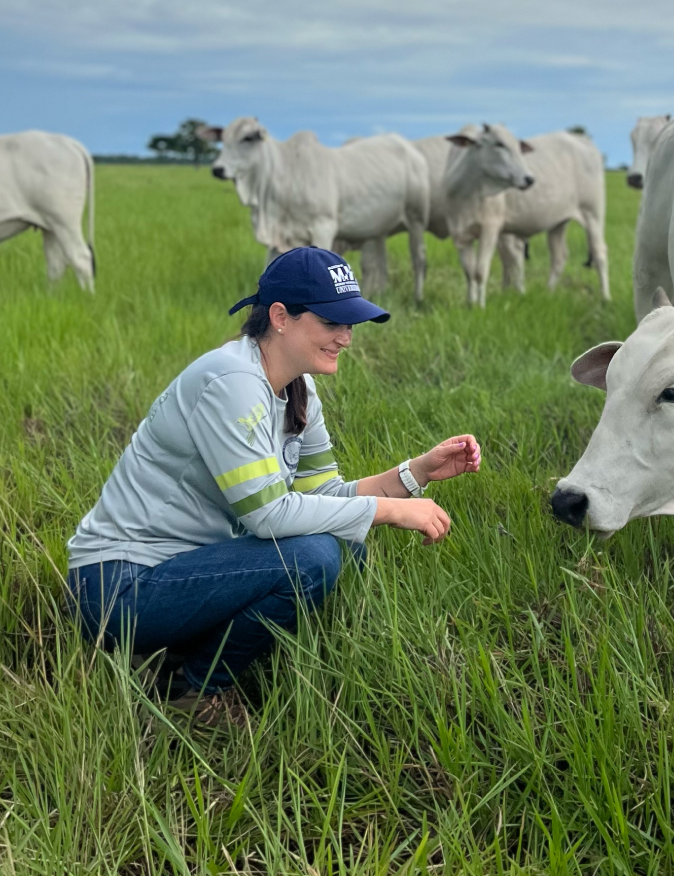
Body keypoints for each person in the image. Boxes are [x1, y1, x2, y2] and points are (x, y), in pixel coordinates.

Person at [66, 246, 481, 726]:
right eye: (333, 322)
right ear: (280, 317)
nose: (346, 338)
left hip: (181, 572)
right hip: (118, 588)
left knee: (344, 547)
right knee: (314, 558)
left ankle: (174, 656)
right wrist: (389, 511)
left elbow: (325, 497)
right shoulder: (231, 382)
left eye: (351, 325)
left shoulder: (298, 389)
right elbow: (268, 516)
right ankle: (191, 691)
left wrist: (418, 472)